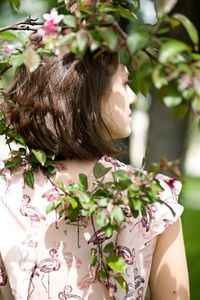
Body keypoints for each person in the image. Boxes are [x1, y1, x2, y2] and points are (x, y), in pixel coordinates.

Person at [0, 50, 189, 300]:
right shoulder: (153, 198)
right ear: (89, 93)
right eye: (124, 82)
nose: (132, 97)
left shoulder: (5, 190)